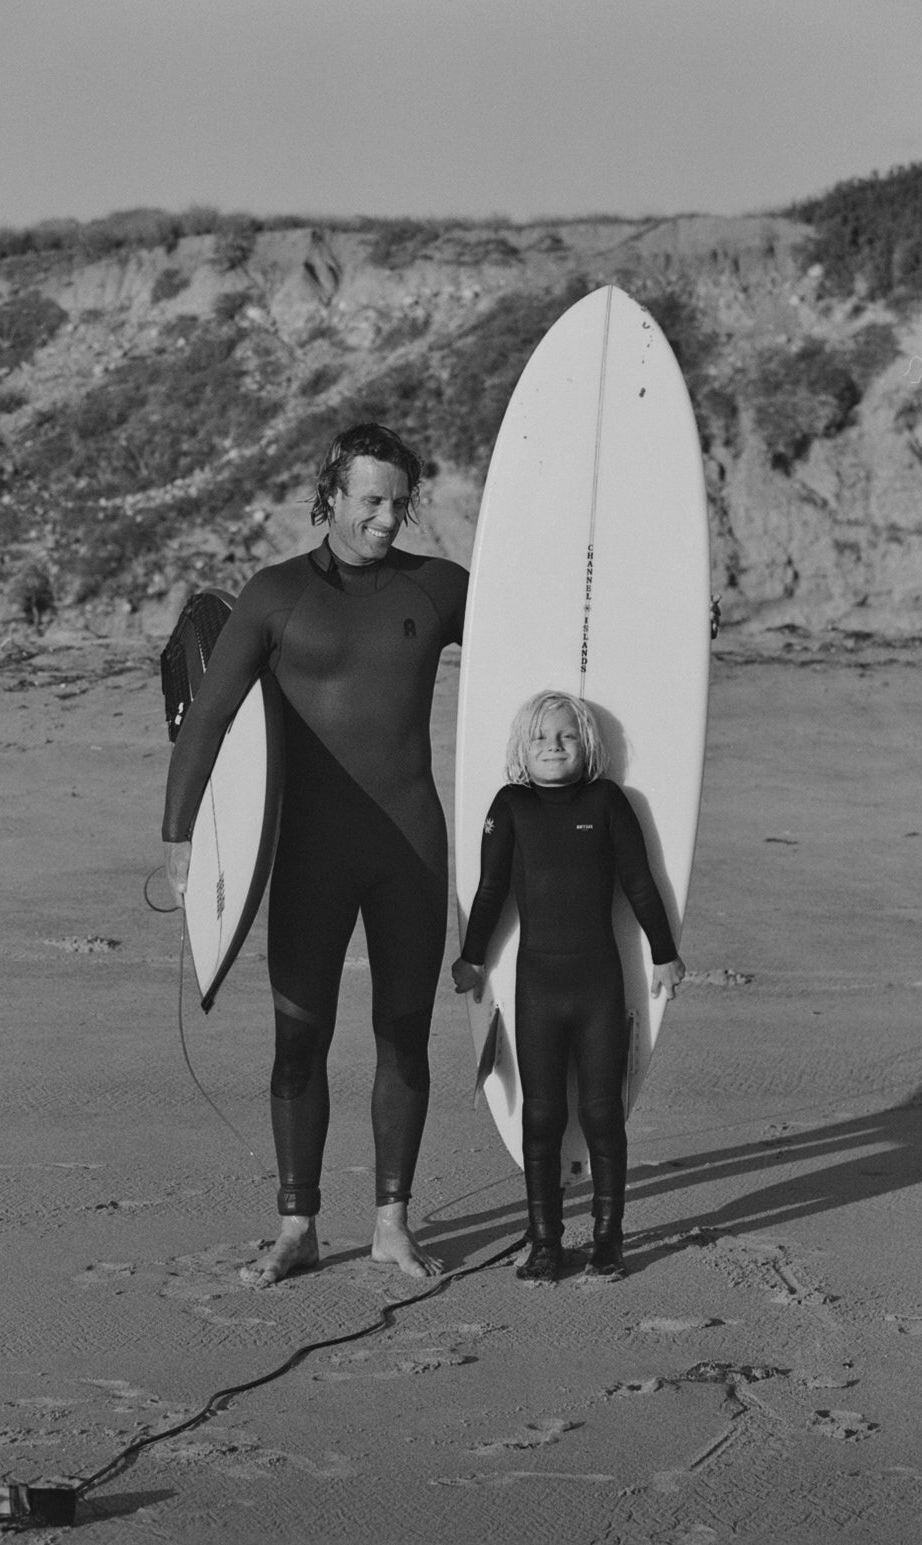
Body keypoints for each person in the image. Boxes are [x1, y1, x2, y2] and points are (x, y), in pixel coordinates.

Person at [163, 423, 468, 1285]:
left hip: (409, 843)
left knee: (404, 1040)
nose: (386, 518)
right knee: (299, 1042)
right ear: (331, 492)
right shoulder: (274, 594)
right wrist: (180, 838)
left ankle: (391, 1223)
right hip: (308, 853)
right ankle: (297, 1226)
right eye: (371, 499)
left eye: (399, 502)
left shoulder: (440, 588)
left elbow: (542, 647)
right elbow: (210, 718)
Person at [451, 690, 685, 1282]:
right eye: (541, 739)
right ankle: (545, 1242)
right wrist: (472, 957)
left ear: (588, 745)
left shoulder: (607, 801)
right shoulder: (511, 806)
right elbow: (489, 889)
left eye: (566, 737)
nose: (554, 747)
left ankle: (608, 1241)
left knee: (604, 1113)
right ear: (521, 752)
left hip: (599, 982)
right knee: (542, 1115)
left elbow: (639, 880)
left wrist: (664, 954)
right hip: (538, 986)